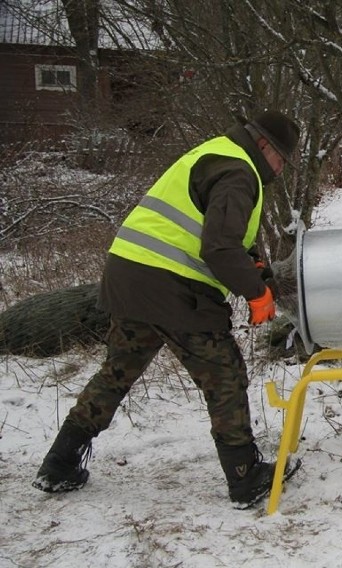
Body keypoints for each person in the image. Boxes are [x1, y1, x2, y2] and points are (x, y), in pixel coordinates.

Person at [32, 110, 302, 508]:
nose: (279, 171)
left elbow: (208, 229)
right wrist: (256, 294)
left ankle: (60, 463)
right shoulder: (240, 172)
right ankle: (246, 478)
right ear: (264, 146)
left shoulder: (217, 154)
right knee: (223, 374)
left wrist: (254, 264)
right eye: (281, 159)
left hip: (128, 276)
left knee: (117, 372)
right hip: (172, 285)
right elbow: (219, 248)